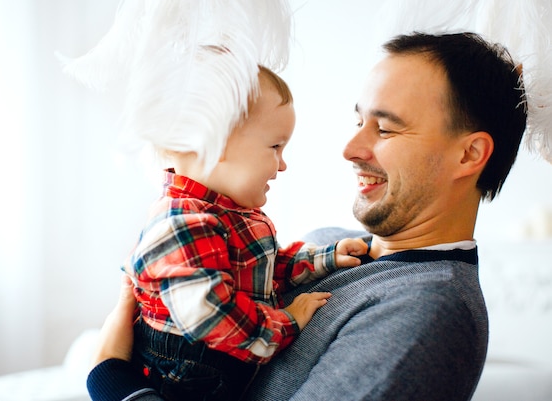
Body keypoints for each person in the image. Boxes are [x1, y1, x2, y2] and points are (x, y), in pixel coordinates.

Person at [86, 31, 527, 401]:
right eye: (358, 122)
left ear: (469, 154)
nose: (350, 149)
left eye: (386, 128)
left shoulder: (427, 313)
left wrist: (109, 376)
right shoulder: (329, 243)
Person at [123, 64, 368, 401]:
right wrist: (287, 321)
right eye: (275, 147)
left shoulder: (230, 213)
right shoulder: (181, 223)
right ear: (216, 144)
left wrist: (327, 257)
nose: (282, 165)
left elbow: (264, 270)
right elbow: (212, 314)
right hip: (188, 379)